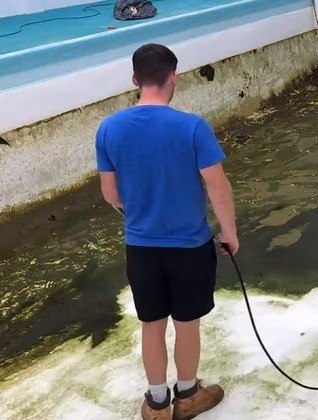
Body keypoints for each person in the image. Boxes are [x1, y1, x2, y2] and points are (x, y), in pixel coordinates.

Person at [95, 43, 239, 420]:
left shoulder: (109, 128)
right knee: (187, 324)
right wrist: (229, 233)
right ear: (174, 77)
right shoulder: (192, 127)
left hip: (141, 247)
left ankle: (157, 403)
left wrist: (143, 208)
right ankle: (189, 395)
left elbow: (110, 193)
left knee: (152, 324)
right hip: (189, 247)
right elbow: (218, 187)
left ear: (134, 80)